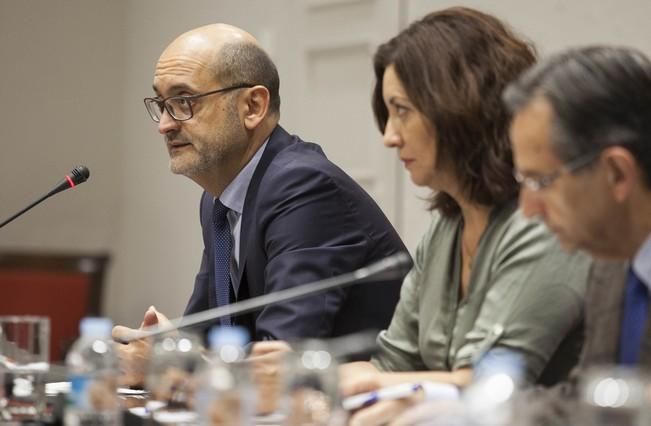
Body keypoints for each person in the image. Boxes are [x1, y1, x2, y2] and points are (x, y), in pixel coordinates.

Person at [111, 24, 410, 386]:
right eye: (161, 104)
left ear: (253, 106)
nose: (164, 124)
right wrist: (168, 345)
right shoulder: (218, 202)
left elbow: (280, 357)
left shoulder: (304, 188)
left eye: (184, 102)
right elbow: (210, 336)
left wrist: (170, 364)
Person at [334, 7, 592, 425]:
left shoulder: (541, 223)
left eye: (402, 110)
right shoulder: (444, 228)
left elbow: (490, 385)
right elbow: (392, 363)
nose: (389, 136)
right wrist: (319, 377)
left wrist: (382, 385)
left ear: (457, 105)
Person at [499, 45, 651, 425]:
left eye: (541, 181)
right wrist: (455, 413)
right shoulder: (611, 259)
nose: (528, 208)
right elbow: (585, 400)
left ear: (617, 173)